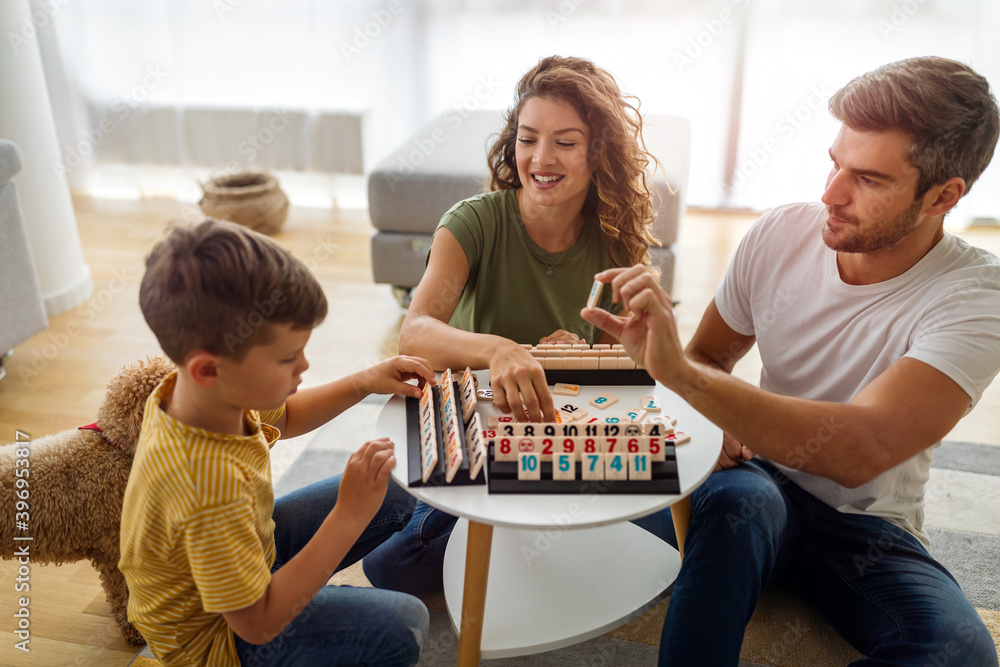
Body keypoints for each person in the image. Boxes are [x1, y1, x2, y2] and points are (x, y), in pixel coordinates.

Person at [583, 56, 1000, 665]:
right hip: (755, 481)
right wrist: (702, 403)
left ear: (945, 196)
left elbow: (860, 451)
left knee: (961, 652)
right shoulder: (779, 235)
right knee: (729, 503)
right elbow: (709, 358)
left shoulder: (976, 298)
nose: (830, 194)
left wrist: (680, 374)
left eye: (869, 179)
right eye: (834, 163)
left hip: (867, 527)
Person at [362, 55, 659, 594]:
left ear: (598, 153)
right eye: (528, 139)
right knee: (392, 562)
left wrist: (571, 352)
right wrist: (503, 349)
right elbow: (417, 332)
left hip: (548, 444)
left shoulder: (614, 239)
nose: (541, 159)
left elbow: (620, 371)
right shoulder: (472, 221)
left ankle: (474, 521)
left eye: (565, 143)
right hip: (466, 428)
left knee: (653, 502)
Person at [119, 219, 434, 667]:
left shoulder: (201, 394)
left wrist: (364, 381)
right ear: (208, 369)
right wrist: (348, 515)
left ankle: (306, 593)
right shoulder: (206, 486)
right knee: (404, 624)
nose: (305, 365)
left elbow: (284, 416)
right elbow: (257, 624)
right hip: (221, 641)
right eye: (287, 358)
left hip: (248, 558)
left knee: (397, 486)